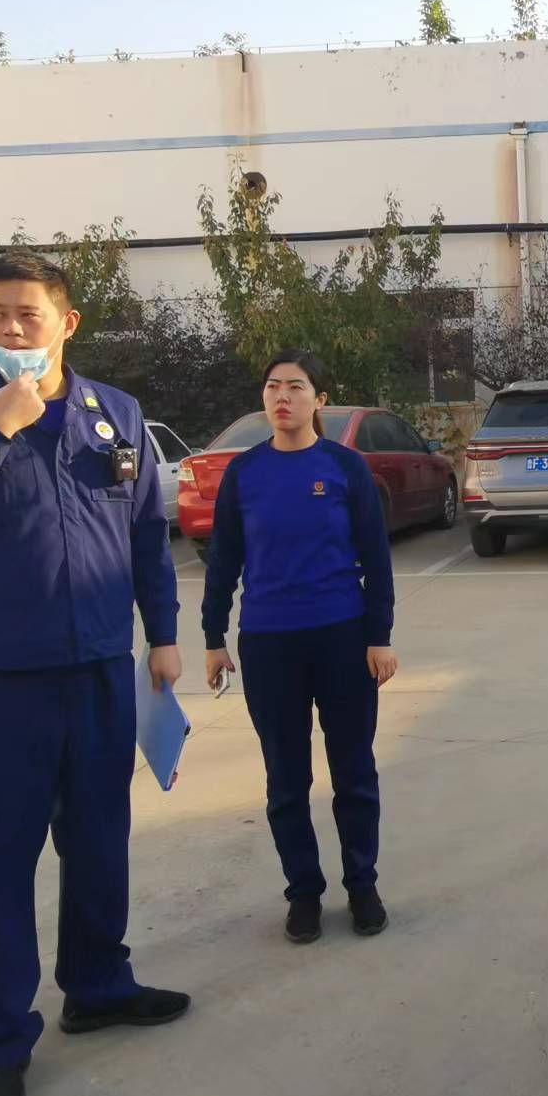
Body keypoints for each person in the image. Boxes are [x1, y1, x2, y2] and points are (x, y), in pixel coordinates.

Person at [0, 253, 188, 1096]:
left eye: (27, 313)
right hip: (1, 682)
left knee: (98, 843)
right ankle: (4, 1040)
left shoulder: (114, 413)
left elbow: (145, 534)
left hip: (99, 670)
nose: (11, 328)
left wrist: (163, 636)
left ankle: (97, 987)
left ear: (67, 323)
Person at [202, 349, 397, 944]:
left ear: (319, 400)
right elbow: (224, 559)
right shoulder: (244, 472)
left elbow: (376, 558)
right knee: (286, 781)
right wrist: (213, 637)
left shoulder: (344, 467)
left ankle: (362, 886)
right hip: (269, 643)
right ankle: (304, 893)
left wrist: (379, 636)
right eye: (272, 387)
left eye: (295, 386)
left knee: (354, 772)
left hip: (342, 637)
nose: (282, 397)